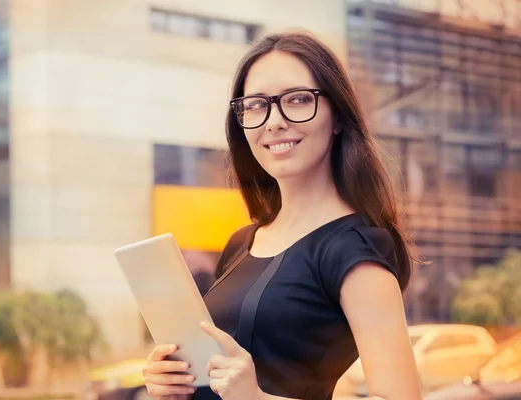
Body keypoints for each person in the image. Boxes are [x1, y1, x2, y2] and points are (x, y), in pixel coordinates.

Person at [142, 30, 422, 400]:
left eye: (298, 99)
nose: (273, 121)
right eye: (256, 105)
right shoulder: (242, 243)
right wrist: (172, 382)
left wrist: (257, 398)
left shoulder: (356, 249)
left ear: (337, 116)